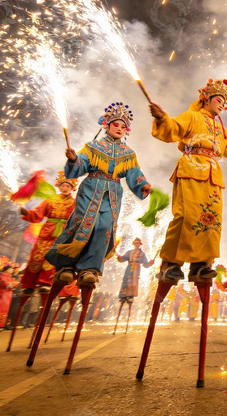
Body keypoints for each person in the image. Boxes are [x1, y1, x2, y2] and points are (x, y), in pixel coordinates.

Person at [149, 79, 227, 282]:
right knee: (185, 216)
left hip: (213, 175)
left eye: (224, 102)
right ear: (206, 99)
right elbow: (172, 129)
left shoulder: (221, 129)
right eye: (219, 99)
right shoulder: (192, 116)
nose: (222, 105)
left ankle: (201, 265)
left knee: (211, 220)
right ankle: (171, 263)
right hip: (191, 167)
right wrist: (162, 117)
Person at [46, 102, 153, 286]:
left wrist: (144, 185)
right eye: (115, 124)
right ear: (107, 125)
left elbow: (135, 174)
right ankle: (66, 266)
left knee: (105, 227)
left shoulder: (128, 154)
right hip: (90, 188)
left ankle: (90, 269)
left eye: (122, 126)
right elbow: (80, 166)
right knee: (82, 222)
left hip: (112, 193)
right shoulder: (92, 147)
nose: (119, 128)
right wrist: (73, 160)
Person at [19, 172, 77, 292]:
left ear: (72, 188)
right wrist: (27, 212)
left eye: (68, 186)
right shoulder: (49, 200)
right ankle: (28, 284)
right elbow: (37, 213)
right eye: (63, 186)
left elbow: (78, 219)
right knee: (37, 257)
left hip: (63, 234)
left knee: (53, 259)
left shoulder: (75, 203)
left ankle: (45, 282)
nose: (65, 188)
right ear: (59, 186)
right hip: (47, 232)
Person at [118, 238, 154, 302]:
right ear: (133, 243)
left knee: (134, 281)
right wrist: (119, 257)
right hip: (129, 268)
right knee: (126, 279)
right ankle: (123, 295)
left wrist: (150, 263)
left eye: (138, 243)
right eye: (135, 243)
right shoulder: (129, 252)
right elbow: (123, 259)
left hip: (136, 269)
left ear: (140, 244)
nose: (136, 244)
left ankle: (130, 296)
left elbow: (145, 264)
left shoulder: (142, 254)